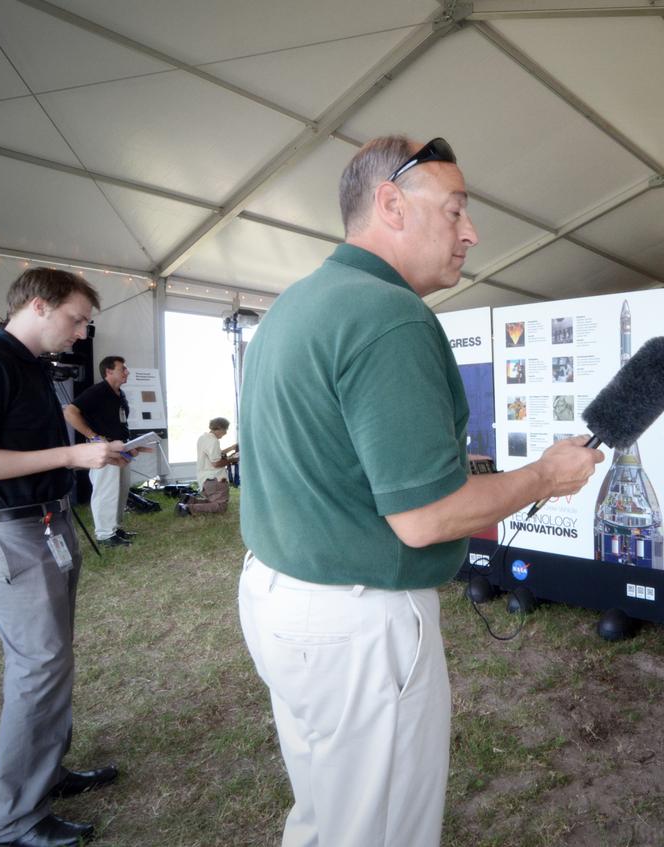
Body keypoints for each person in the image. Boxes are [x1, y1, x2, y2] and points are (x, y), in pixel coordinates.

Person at [236, 135, 604, 847]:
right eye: (456, 210)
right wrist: (543, 477)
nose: (471, 233)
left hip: (282, 598)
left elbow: (345, 465)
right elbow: (423, 518)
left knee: (323, 814)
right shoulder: (388, 314)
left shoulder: (297, 303)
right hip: (357, 625)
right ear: (390, 205)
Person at [0, 268, 129, 847]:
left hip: (40, 526)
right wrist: (71, 459)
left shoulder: (32, 368)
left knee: (49, 665)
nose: (81, 333)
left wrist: (86, 452)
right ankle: (14, 821)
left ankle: (45, 775)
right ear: (40, 306)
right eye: (76, 319)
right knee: (38, 669)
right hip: (7, 534)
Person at [64, 355, 133, 547]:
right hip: (105, 449)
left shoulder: (120, 393)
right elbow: (70, 412)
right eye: (123, 369)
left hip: (121, 448)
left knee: (121, 489)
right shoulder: (98, 391)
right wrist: (93, 436)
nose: (127, 372)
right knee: (106, 490)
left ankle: (115, 528)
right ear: (109, 371)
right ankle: (104, 534)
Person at [177, 417, 236, 516]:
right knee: (221, 506)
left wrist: (232, 448)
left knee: (213, 503)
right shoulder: (213, 441)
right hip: (215, 479)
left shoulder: (204, 438)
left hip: (205, 480)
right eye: (225, 430)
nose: (226, 433)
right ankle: (186, 508)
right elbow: (216, 463)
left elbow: (215, 455)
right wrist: (233, 459)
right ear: (220, 428)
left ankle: (189, 499)